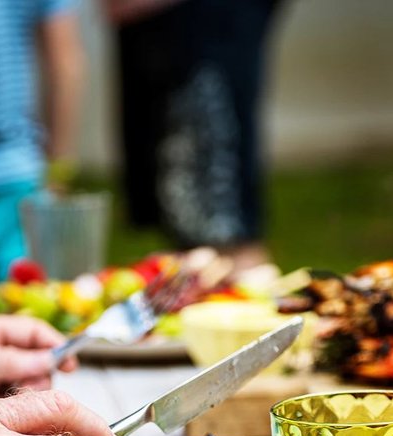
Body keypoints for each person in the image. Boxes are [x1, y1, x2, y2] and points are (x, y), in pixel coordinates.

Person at [103, 0, 284, 270]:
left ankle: (251, 302)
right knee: (182, 218)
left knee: (224, 228)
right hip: (160, 37)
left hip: (205, 32)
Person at [0, 0, 83, 300]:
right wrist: (57, 166)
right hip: (13, 182)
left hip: (11, 191)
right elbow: (65, 65)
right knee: (26, 329)